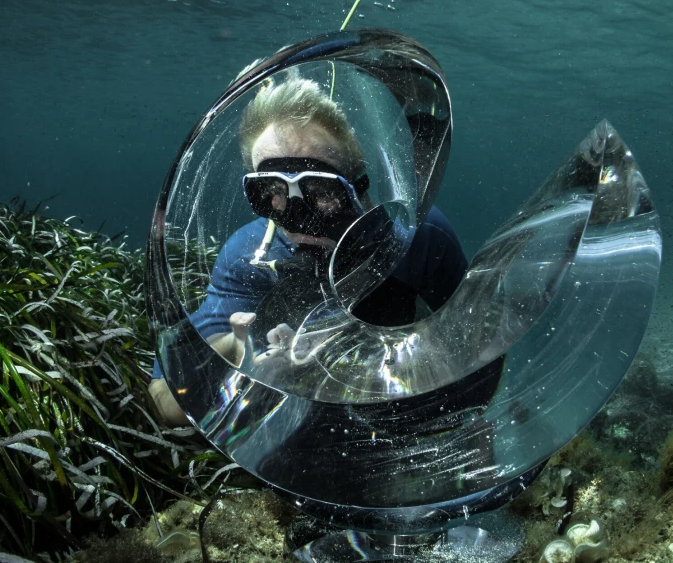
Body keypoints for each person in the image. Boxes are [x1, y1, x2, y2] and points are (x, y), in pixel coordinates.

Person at [149, 76, 469, 425]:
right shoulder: (249, 256)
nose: (299, 218)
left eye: (321, 191)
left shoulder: (418, 239)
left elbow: (476, 351)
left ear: (358, 186)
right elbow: (165, 398)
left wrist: (415, 360)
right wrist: (239, 351)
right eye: (272, 191)